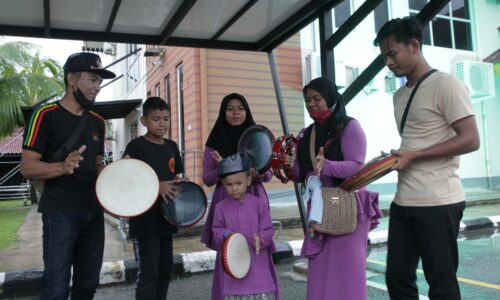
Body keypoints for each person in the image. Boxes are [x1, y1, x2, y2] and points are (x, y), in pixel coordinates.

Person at [374, 17, 480, 299]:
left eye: (392, 53)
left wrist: (415, 155)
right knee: (397, 278)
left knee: (441, 283)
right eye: (384, 56)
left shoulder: (447, 85)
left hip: (439, 201)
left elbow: (470, 139)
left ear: (414, 46)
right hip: (403, 201)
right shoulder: (399, 95)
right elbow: (416, 140)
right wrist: (395, 158)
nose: (388, 62)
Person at [20, 52, 116, 299]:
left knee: (87, 286)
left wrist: (120, 177)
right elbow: (27, 167)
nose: (98, 87)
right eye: (93, 79)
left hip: (93, 213)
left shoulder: (98, 122)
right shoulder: (45, 115)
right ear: (72, 79)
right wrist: (61, 167)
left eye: (99, 82)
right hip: (59, 213)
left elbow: (96, 166)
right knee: (56, 286)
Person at [285, 77, 382, 300]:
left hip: (346, 206)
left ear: (330, 98)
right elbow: (301, 174)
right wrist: (291, 165)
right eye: (307, 100)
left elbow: (357, 166)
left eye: (317, 98)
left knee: (347, 271)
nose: (311, 104)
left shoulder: (349, 126)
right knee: (319, 270)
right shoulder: (306, 133)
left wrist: (327, 166)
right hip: (318, 210)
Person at [200, 93, 276, 300]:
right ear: (223, 112)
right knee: (229, 250)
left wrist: (258, 174)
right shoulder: (214, 142)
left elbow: (268, 173)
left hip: (254, 196)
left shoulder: (257, 136)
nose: (235, 113)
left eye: (240, 108)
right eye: (230, 108)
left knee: (257, 244)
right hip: (226, 199)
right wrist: (225, 167)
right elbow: (207, 178)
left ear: (247, 111)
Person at [123, 97, 184, 300]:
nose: (162, 123)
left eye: (166, 118)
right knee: (149, 274)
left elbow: (176, 179)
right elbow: (127, 182)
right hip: (144, 221)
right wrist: (157, 187)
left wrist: (182, 185)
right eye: (156, 119)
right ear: (143, 121)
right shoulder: (135, 147)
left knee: (165, 270)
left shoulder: (172, 147)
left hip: (167, 218)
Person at [212, 152, 280, 300]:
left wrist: (260, 238)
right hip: (234, 269)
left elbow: (268, 229)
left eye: (238, 183)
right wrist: (226, 235)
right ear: (223, 184)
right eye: (229, 184)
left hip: (258, 267)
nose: (234, 188)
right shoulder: (220, 207)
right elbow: (216, 231)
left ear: (248, 180)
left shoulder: (259, 204)